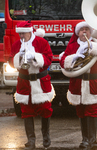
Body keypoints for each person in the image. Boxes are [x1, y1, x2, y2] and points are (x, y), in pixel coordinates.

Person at [59, 21, 97, 149]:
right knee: (81, 111)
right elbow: (63, 61)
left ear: (90, 32)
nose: (84, 32)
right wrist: (75, 56)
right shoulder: (72, 46)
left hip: (93, 83)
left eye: (87, 29)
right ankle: (85, 139)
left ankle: (93, 140)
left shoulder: (96, 44)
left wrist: (92, 47)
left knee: (92, 111)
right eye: (82, 30)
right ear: (78, 33)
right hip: (78, 83)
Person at [9, 21, 55, 150]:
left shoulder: (41, 42)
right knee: (26, 111)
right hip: (24, 82)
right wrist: (19, 56)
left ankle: (46, 136)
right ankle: (31, 140)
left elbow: (48, 59)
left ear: (30, 32)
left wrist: (35, 56)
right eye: (20, 34)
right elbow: (11, 61)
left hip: (40, 82)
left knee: (45, 109)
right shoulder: (17, 44)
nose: (22, 36)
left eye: (24, 33)